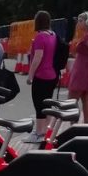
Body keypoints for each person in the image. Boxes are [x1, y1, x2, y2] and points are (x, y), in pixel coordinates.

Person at [25, 10, 58, 142]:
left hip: (41, 75)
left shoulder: (40, 37)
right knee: (47, 103)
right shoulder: (53, 35)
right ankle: (46, 130)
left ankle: (39, 133)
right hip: (52, 74)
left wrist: (30, 75)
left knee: (39, 104)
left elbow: (38, 57)